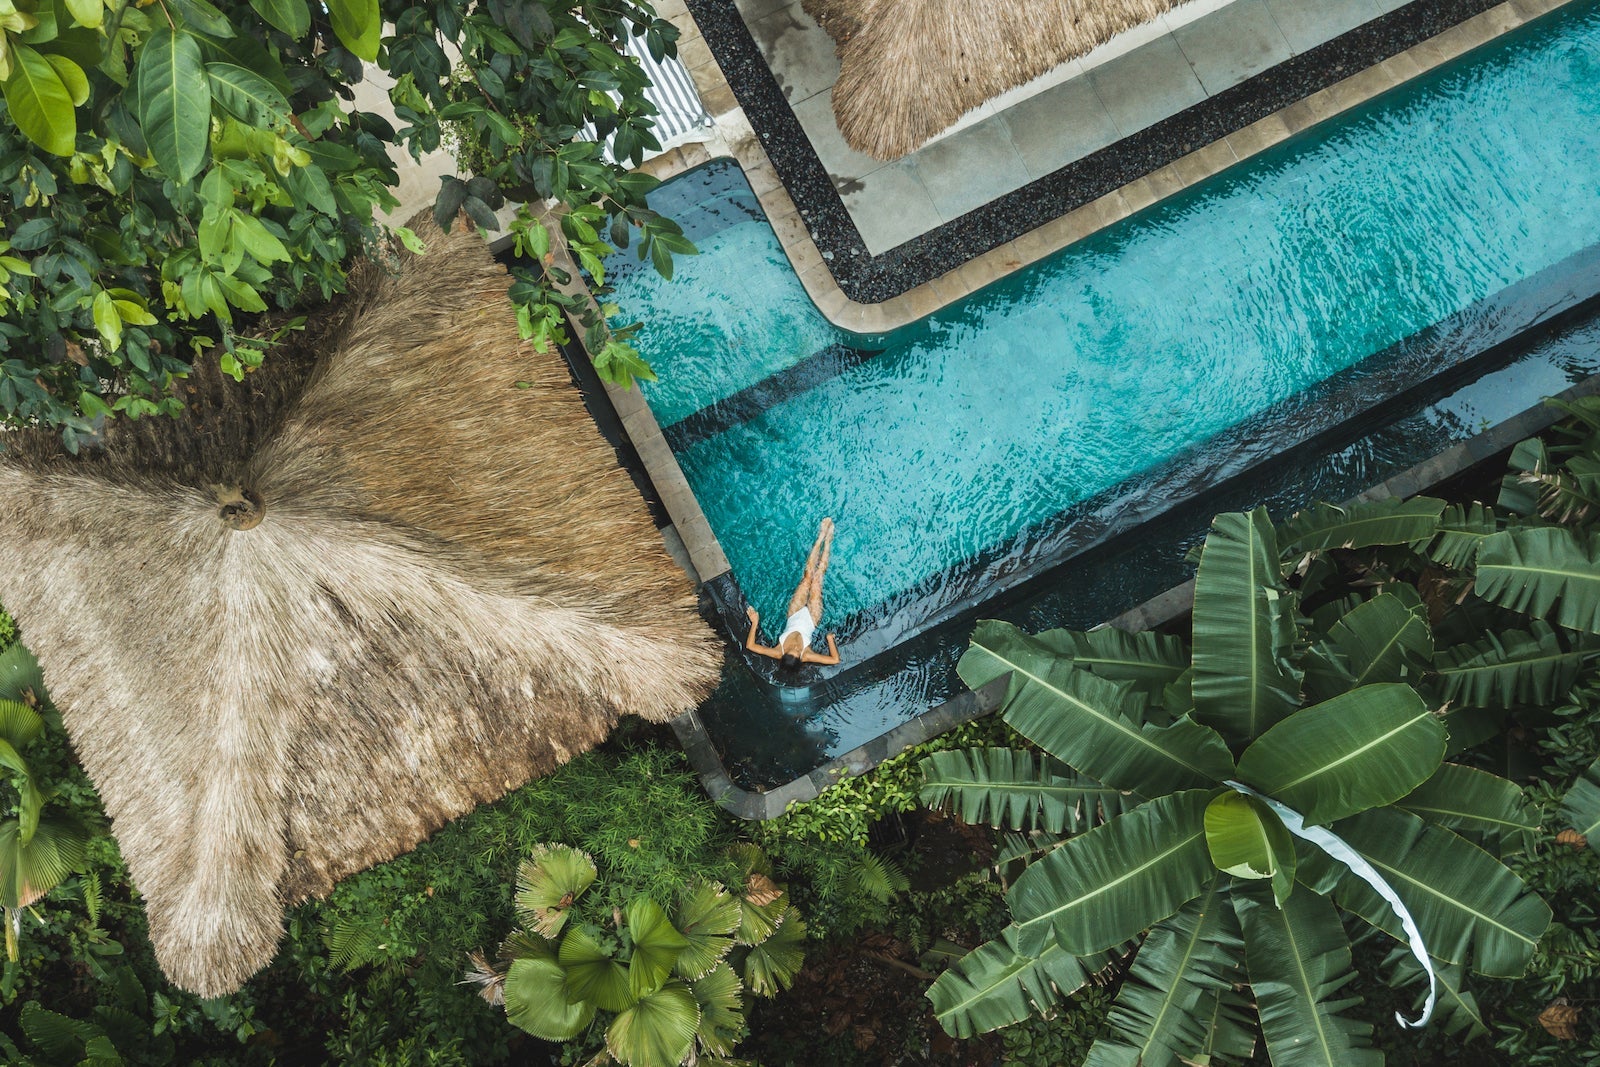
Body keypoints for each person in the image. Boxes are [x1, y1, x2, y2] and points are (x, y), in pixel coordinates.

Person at [746, 517, 840, 669]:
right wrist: (830, 639)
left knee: (807, 578)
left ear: (784, 655)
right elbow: (835, 660)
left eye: (792, 650)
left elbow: (751, 646)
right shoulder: (806, 655)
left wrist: (755, 622)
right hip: (811, 619)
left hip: (794, 614)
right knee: (817, 580)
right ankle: (828, 541)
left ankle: (820, 536)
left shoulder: (778, 652)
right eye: (797, 652)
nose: (796, 649)